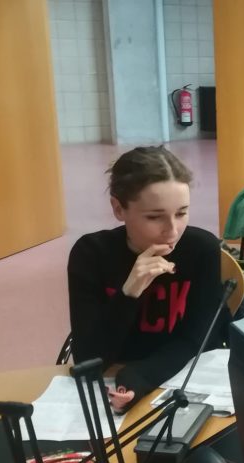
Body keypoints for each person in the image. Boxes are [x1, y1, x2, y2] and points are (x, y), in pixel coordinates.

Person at [67, 146, 224, 412]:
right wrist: (129, 293)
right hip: (114, 382)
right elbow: (88, 359)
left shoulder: (202, 250)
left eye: (181, 213)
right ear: (119, 208)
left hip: (176, 379)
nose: (172, 231)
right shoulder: (91, 254)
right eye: (154, 217)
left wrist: (139, 377)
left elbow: (198, 340)